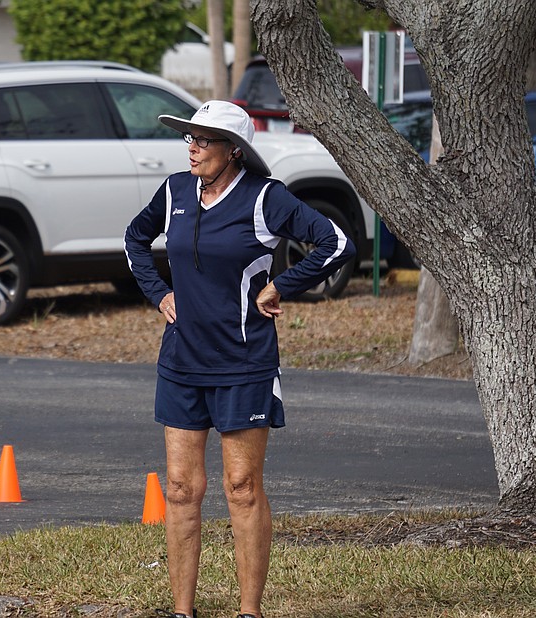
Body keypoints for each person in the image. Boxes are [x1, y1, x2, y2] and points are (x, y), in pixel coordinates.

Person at [124, 100, 356, 618]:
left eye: (204, 140)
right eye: (190, 138)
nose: (193, 147)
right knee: (182, 489)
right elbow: (134, 239)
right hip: (181, 362)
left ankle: (249, 612)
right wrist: (158, 291)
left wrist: (283, 285)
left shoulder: (265, 197)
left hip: (244, 365)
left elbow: (336, 243)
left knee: (242, 488)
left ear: (234, 150)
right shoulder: (175, 191)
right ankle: (182, 612)